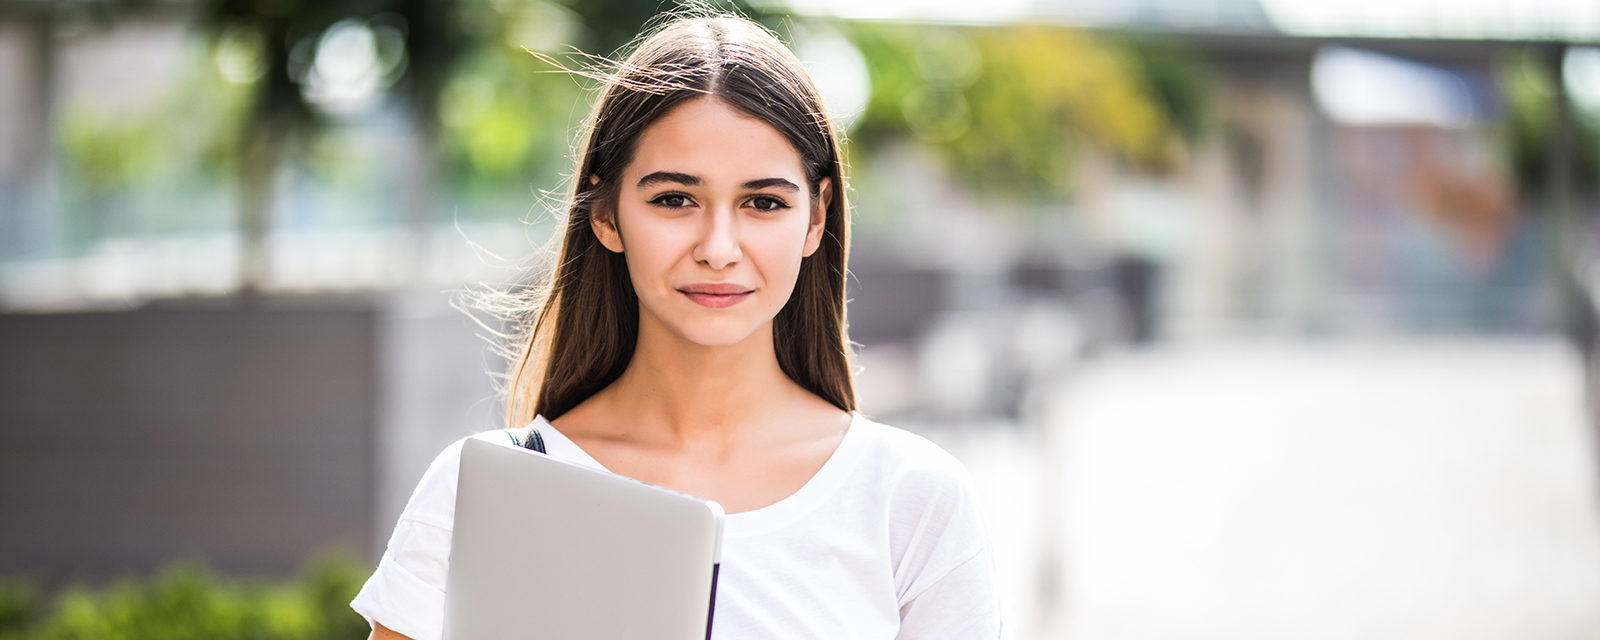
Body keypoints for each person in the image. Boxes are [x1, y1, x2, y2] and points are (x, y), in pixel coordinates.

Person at [351, 10, 1002, 639]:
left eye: (763, 202)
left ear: (816, 217)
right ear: (606, 214)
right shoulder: (481, 493)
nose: (719, 247)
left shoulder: (909, 498)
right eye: (674, 199)